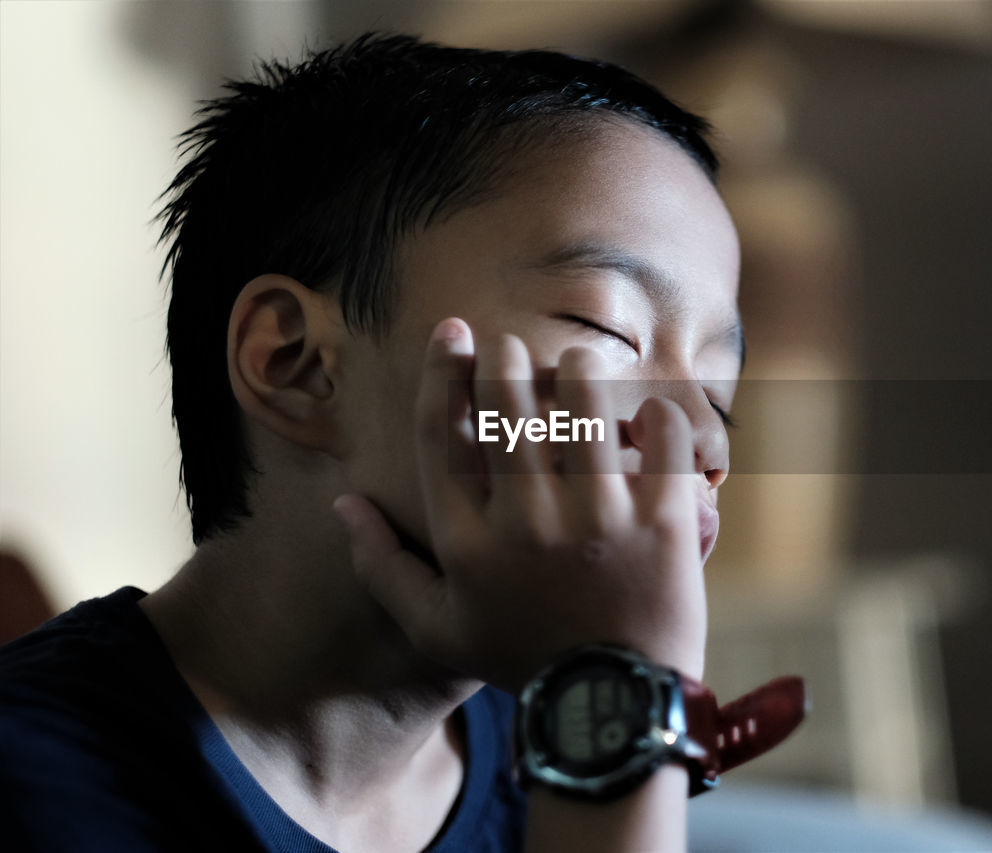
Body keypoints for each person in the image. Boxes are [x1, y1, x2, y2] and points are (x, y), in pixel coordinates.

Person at [0, 33, 803, 852]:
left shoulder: (551, 753)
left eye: (716, 394)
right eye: (603, 325)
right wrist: (614, 697)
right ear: (299, 365)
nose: (699, 439)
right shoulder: (34, 783)